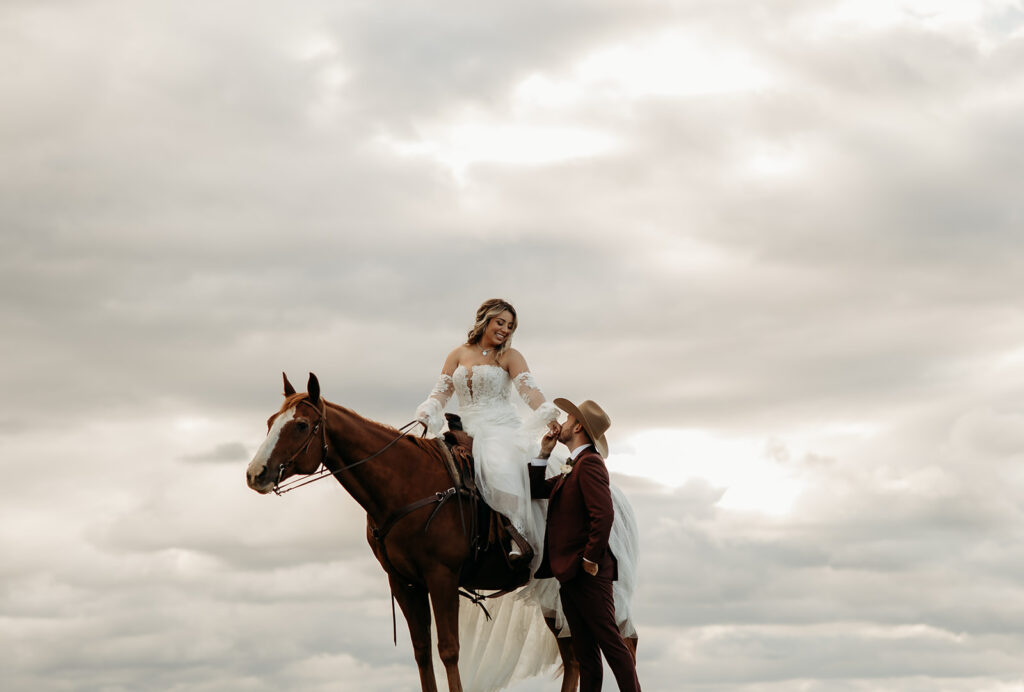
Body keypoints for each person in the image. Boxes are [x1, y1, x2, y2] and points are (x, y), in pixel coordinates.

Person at [415, 298, 559, 567]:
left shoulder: (509, 356)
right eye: (500, 322)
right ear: (485, 320)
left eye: (510, 326)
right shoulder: (457, 354)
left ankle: (519, 533)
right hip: (465, 426)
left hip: (499, 426)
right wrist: (428, 410)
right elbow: (442, 391)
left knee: (499, 465)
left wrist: (547, 413)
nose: (504, 329)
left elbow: (529, 390)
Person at [531, 398, 642, 692]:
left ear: (578, 425)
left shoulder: (590, 464)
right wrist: (544, 452)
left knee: (612, 647)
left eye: (568, 419)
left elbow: (604, 514)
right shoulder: (573, 466)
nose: (563, 424)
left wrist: (590, 559)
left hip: (588, 573)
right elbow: (536, 489)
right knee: (586, 655)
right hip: (569, 575)